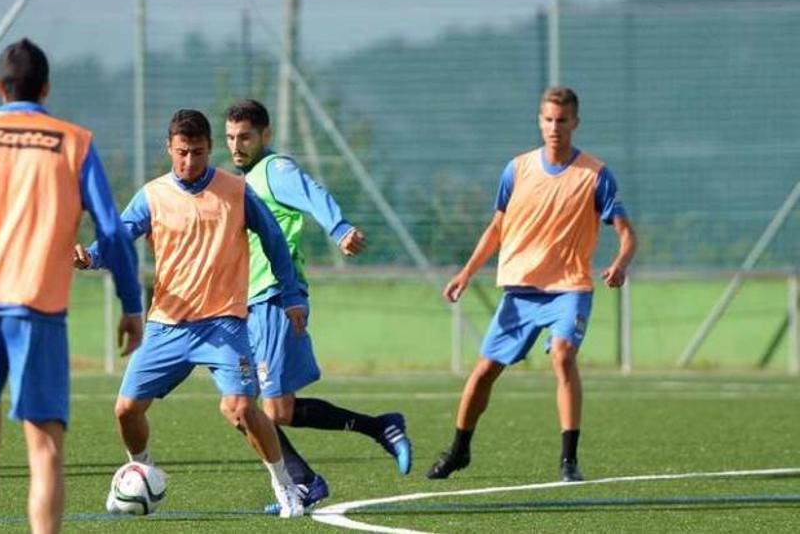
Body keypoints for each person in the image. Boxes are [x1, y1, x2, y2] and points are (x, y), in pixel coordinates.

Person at [0, 38, 144, 534]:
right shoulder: (72, 141)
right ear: (45, 89)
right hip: (34, 305)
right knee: (43, 446)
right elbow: (110, 231)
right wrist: (132, 303)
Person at [76, 109, 309, 518]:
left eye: (198, 153)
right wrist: (91, 255)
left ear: (209, 149)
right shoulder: (152, 195)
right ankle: (141, 471)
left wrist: (291, 295)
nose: (189, 162)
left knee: (241, 407)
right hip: (167, 324)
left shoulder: (235, 191)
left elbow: (273, 240)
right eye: (182, 152)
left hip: (224, 323)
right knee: (126, 410)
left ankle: (286, 485)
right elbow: (119, 234)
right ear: (169, 147)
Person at [426, 87, 637, 483]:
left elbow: (627, 234)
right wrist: (466, 272)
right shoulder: (518, 169)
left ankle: (568, 461)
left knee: (562, 356)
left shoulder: (595, 174)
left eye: (562, 120)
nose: (555, 127)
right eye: (548, 120)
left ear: (575, 122)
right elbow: (497, 229)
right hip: (520, 291)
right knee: (484, 371)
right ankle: (458, 450)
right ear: (540, 122)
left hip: (569, 288)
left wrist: (620, 262)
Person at [224, 99, 412, 513]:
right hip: (243, 305)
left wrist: (339, 227)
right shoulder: (243, 181)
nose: (237, 145)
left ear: (265, 136)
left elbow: (314, 193)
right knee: (237, 407)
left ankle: (374, 430)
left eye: (245, 137)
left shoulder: (274, 170)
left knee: (275, 409)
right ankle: (307, 479)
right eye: (231, 138)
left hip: (274, 296)